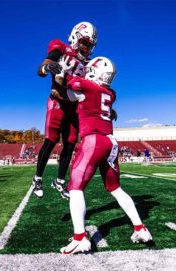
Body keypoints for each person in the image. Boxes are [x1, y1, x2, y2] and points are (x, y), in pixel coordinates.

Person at [59, 57, 152, 254]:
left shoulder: (88, 86)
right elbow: (72, 95)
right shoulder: (110, 93)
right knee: (115, 188)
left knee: (75, 188)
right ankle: (140, 228)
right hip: (111, 142)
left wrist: (64, 71)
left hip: (94, 141)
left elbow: (71, 85)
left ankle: (80, 238)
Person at [31, 22, 98, 200]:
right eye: (85, 42)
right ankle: (37, 178)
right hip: (58, 103)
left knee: (70, 144)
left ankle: (60, 181)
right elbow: (41, 69)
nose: (87, 47)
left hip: (73, 106)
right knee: (51, 140)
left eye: (90, 45)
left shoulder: (89, 64)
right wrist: (47, 67)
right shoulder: (62, 49)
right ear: (76, 37)